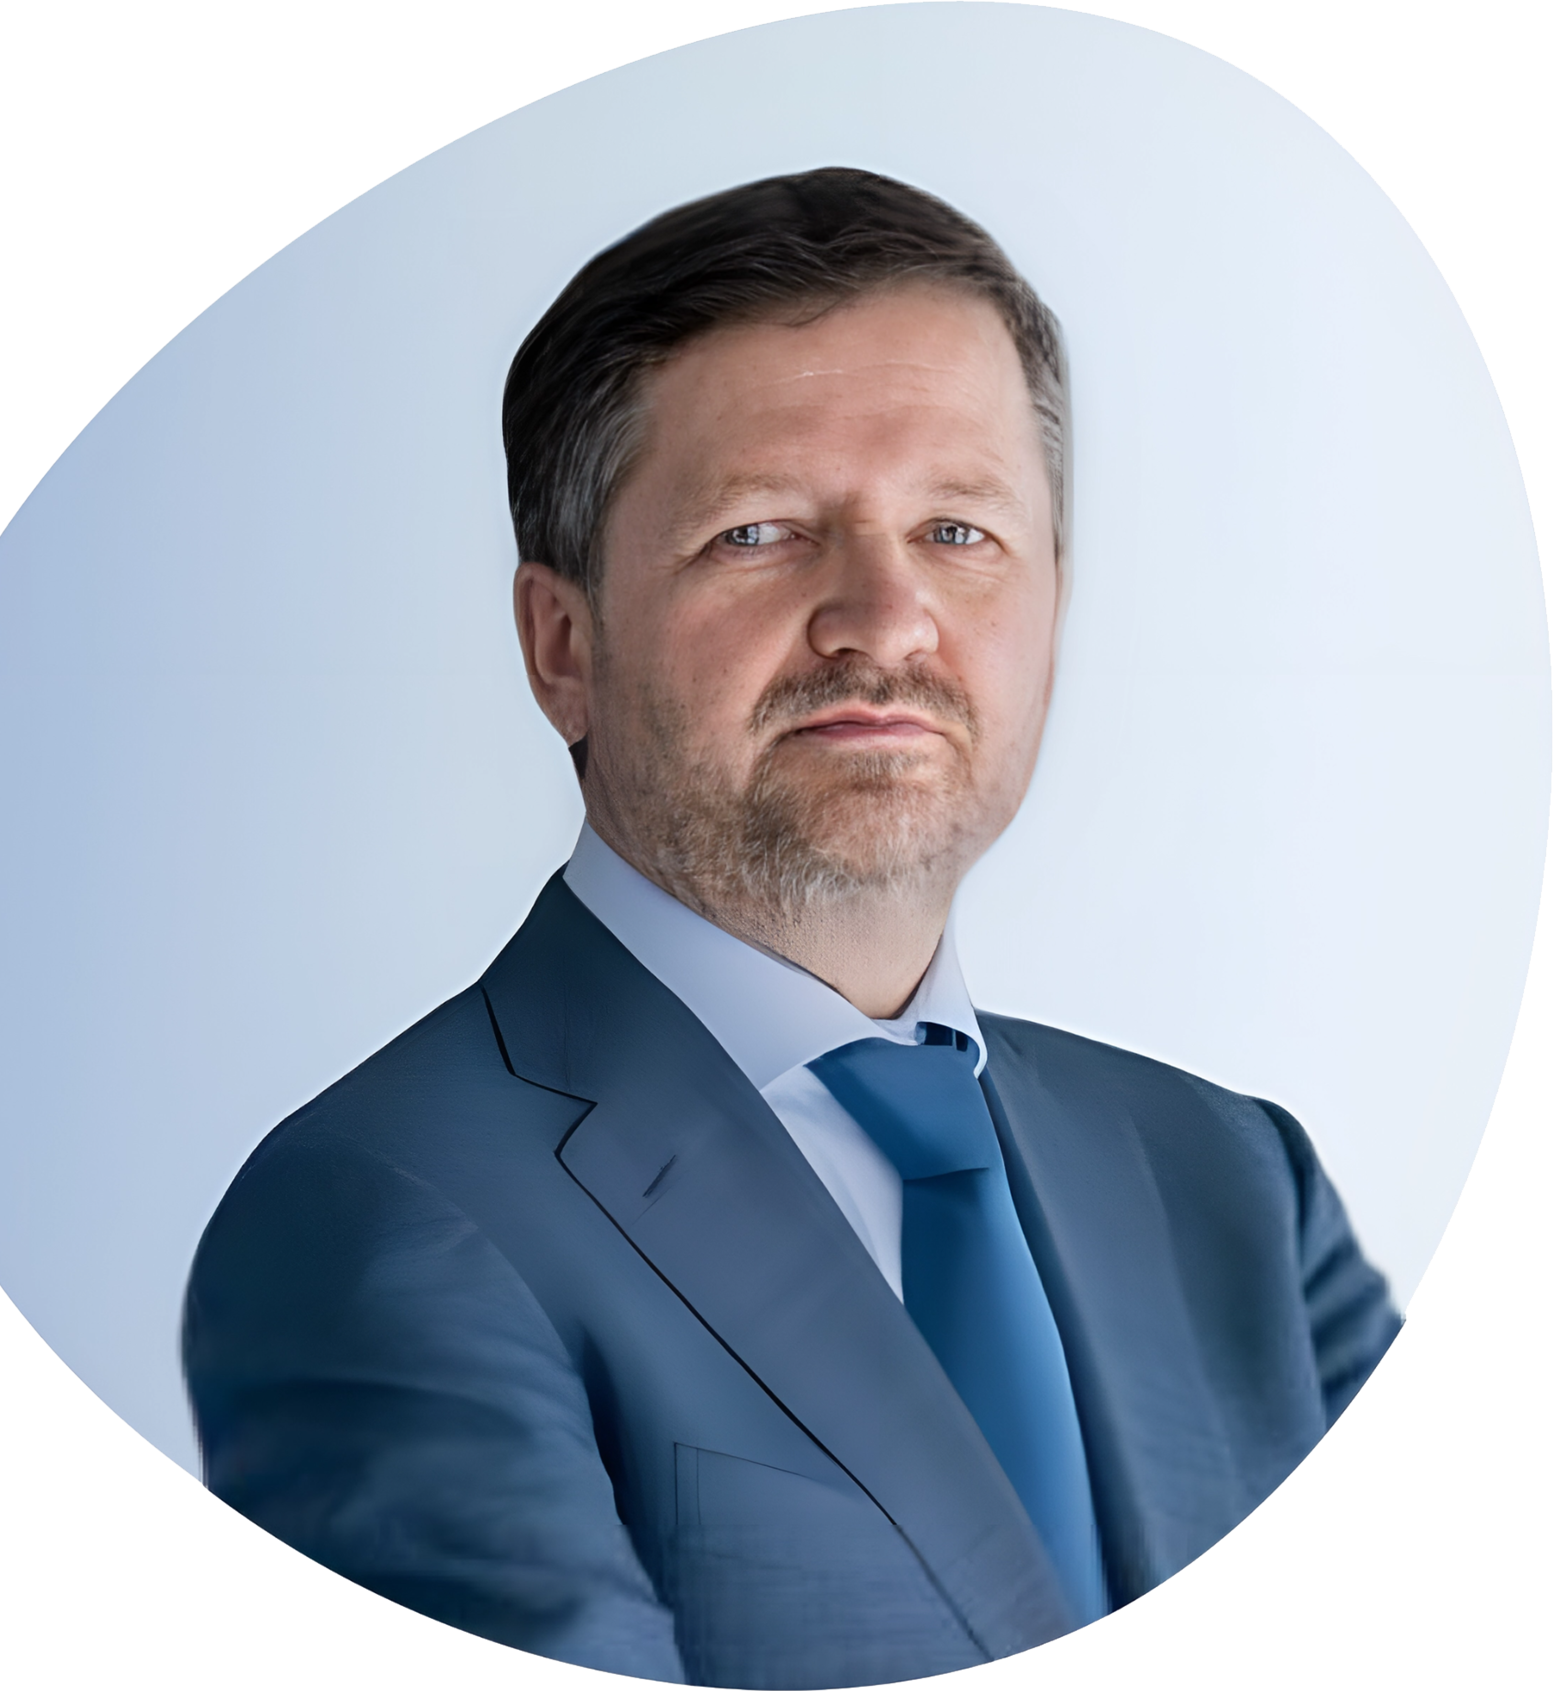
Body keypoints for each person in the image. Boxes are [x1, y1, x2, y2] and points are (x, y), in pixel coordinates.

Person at [182, 168, 1401, 1688]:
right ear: (563, 645)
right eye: (759, 531)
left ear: (1055, 602)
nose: (884, 617)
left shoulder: (1236, 1180)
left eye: (958, 528)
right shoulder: (382, 1219)